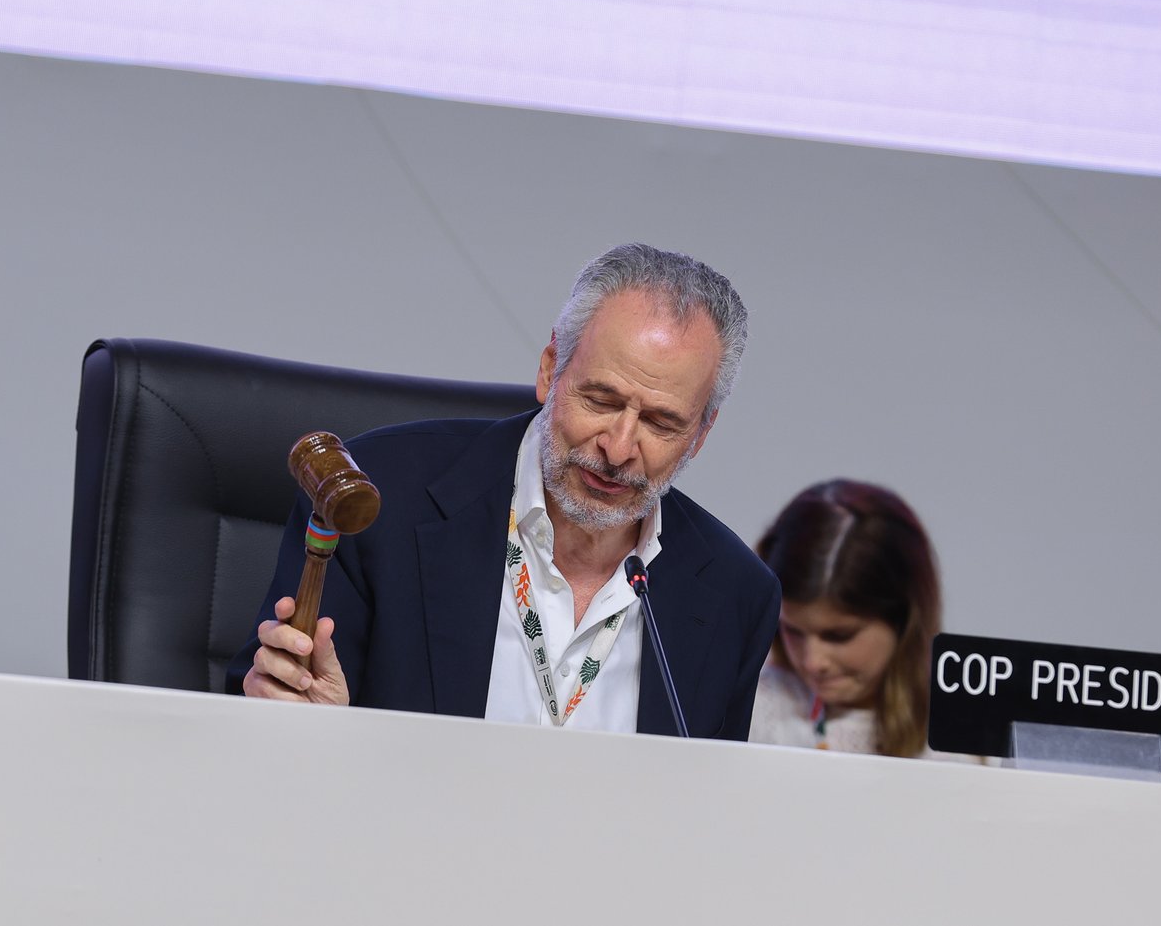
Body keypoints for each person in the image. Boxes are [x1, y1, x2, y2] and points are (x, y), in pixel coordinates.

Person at [227, 243, 781, 739]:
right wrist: (313, 730)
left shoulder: (736, 594)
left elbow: (707, 816)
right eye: (601, 401)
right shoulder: (376, 504)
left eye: (660, 423)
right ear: (549, 372)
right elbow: (264, 723)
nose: (618, 448)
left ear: (700, 435)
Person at [748, 480, 950, 758]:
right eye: (792, 631)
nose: (813, 662)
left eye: (838, 636)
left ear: (904, 620)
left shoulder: (963, 735)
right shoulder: (750, 707)